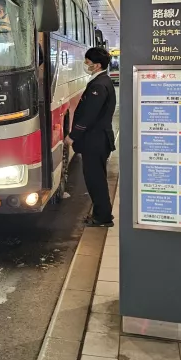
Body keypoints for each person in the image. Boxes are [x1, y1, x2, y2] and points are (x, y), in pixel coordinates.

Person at [65, 47, 117, 227]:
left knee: (95, 181)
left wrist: (73, 135)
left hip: (95, 141)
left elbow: (89, 115)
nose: (85, 65)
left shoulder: (99, 86)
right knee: (96, 179)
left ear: (97, 65)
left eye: (87, 62)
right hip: (98, 140)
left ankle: (103, 217)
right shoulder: (102, 81)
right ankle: (100, 214)